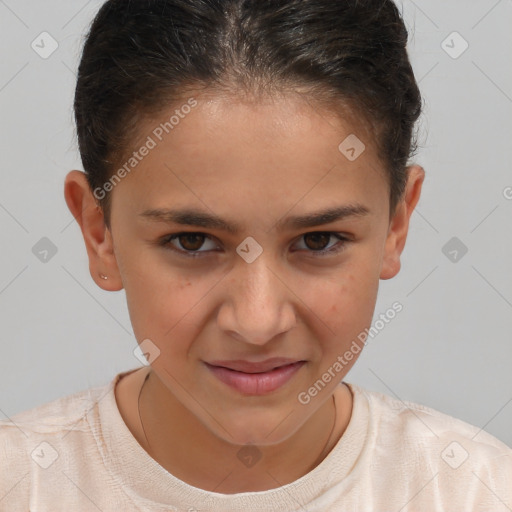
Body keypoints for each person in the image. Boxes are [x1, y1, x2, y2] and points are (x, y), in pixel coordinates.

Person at [1, 0, 511, 510]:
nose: (258, 322)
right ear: (100, 235)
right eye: (192, 241)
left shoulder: (476, 491)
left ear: (396, 226)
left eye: (318, 241)